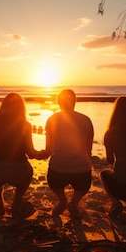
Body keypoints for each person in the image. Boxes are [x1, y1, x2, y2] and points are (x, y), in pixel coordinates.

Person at [0, 92, 43, 218]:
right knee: (28, 173)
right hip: (18, 168)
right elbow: (30, 153)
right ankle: (16, 203)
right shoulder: (25, 124)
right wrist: (41, 154)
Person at [43, 89, 94, 218]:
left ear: (59, 103)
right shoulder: (86, 120)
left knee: (53, 180)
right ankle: (74, 202)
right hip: (82, 172)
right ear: (75, 102)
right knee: (83, 184)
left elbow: (48, 149)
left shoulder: (52, 119)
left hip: (58, 170)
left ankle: (62, 200)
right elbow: (88, 150)